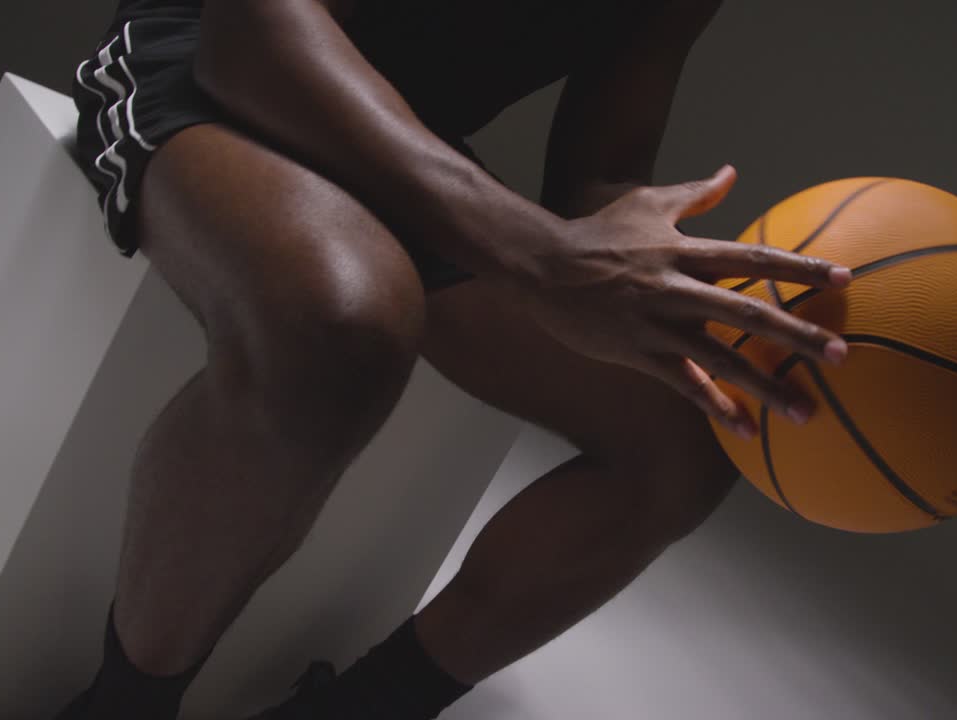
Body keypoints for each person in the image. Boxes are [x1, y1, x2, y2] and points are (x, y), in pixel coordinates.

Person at [59, 0, 851, 717]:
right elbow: (250, 37)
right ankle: (117, 711)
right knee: (344, 327)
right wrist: (538, 251)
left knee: (692, 427)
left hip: (416, 151)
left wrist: (656, 260)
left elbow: (596, 173)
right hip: (212, 62)